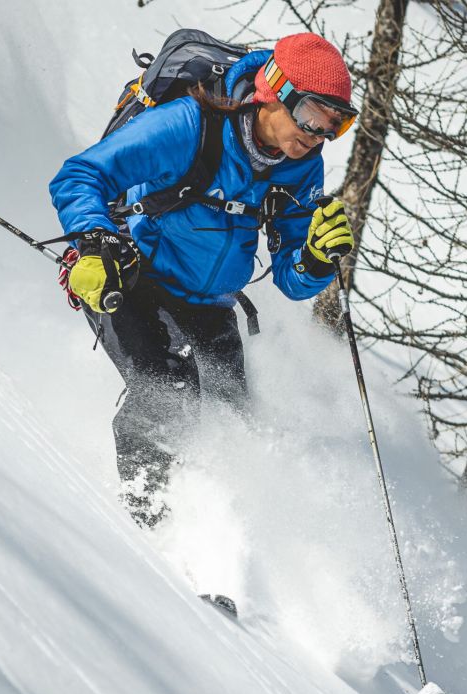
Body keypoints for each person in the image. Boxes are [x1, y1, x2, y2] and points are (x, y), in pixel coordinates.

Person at [50, 33, 357, 527]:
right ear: (273, 91)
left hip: (209, 305)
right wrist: (94, 242)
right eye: (311, 115)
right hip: (130, 279)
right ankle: (141, 538)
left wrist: (317, 259)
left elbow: (291, 281)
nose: (317, 135)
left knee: (236, 427)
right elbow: (80, 174)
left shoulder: (301, 168)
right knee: (167, 392)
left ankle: (214, 545)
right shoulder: (190, 125)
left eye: (335, 126)